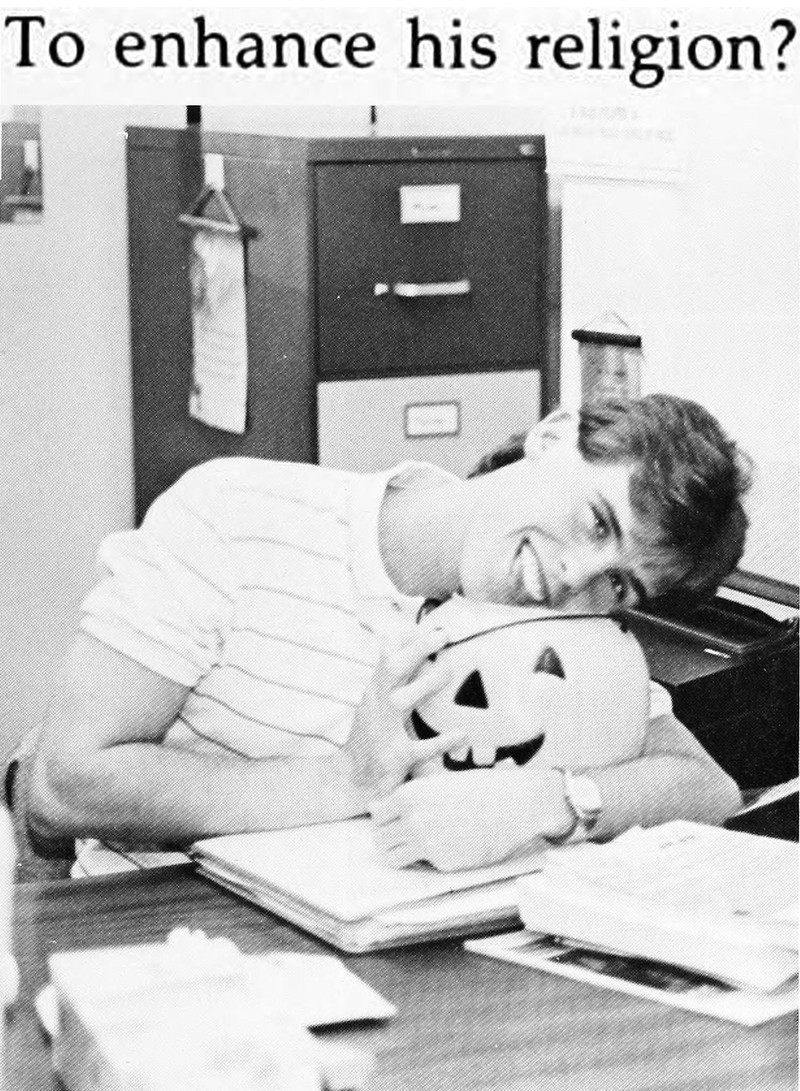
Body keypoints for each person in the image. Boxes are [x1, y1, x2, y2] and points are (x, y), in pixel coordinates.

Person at [21, 393, 749, 875]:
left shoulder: (561, 625)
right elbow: (63, 784)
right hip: (171, 947)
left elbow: (706, 787)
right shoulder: (232, 513)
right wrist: (346, 781)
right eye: (597, 521)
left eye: (619, 584)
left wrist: (551, 802)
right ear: (552, 436)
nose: (574, 575)